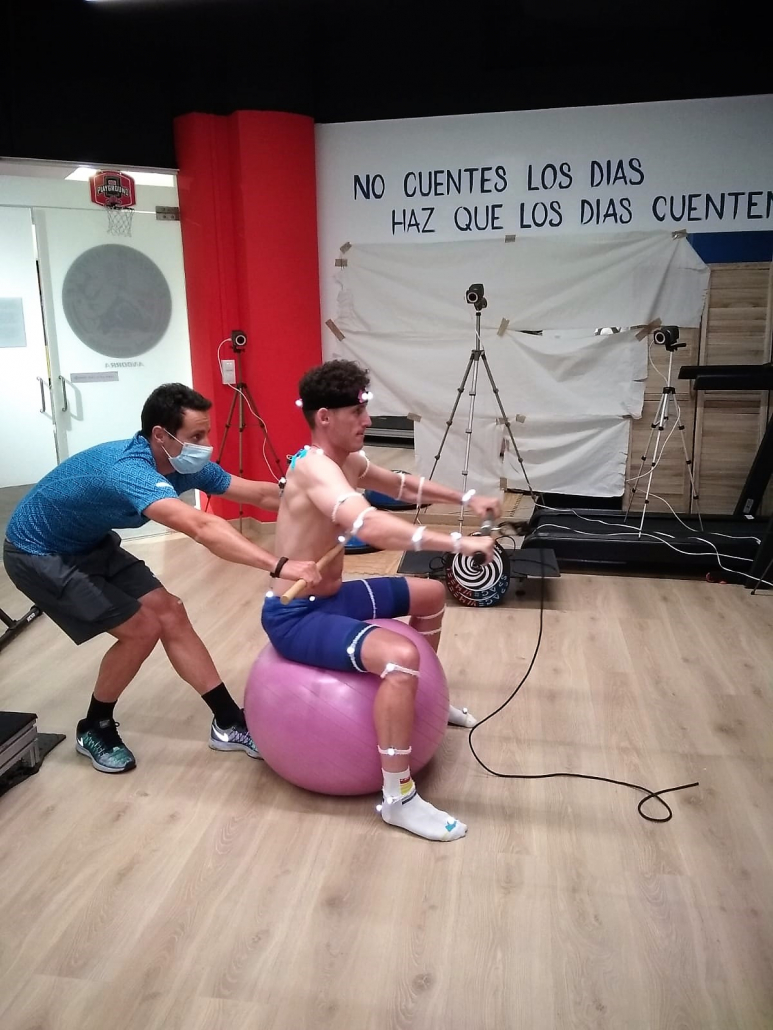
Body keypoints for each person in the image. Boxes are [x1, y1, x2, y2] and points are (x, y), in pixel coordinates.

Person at [3, 383, 321, 774]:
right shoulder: (129, 469)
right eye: (195, 437)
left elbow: (259, 495)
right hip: (37, 553)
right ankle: (94, 727)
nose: (205, 444)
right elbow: (201, 525)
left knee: (170, 611)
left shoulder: (181, 463)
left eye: (206, 433)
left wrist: (335, 500)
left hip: (87, 542)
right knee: (140, 629)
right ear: (160, 435)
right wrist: (278, 564)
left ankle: (226, 721)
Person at [262, 360, 502, 842]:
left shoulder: (347, 462)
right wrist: (459, 542)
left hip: (330, 597)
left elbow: (400, 485)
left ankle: (424, 699)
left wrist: (467, 498)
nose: (367, 420)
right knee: (400, 657)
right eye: (358, 411)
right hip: (295, 615)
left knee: (431, 593)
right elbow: (368, 526)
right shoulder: (314, 470)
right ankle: (398, 797)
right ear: (325, 417)